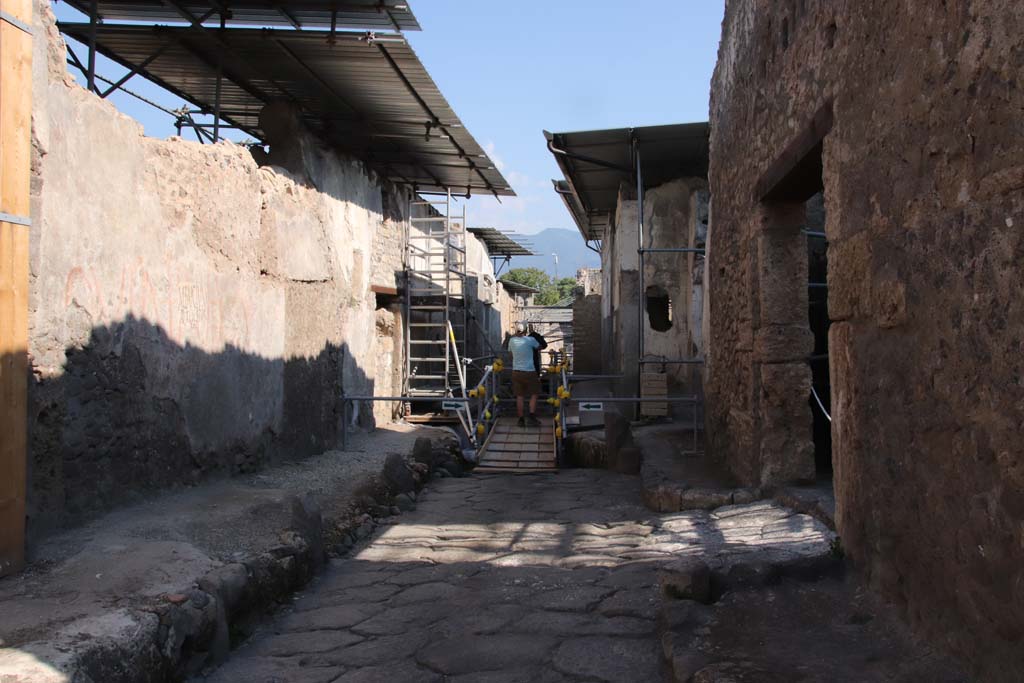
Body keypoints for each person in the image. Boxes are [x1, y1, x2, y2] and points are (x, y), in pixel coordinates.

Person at [504, 321, 547, 428]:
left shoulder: (512, 341)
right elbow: (541, 346)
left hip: (516, 372)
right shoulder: (530, 340)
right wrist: (534, 333)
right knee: (534, 393)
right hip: (529, 372)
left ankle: (521, 420)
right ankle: (531, 416)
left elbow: (510, 355)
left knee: (520, 396)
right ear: (525, 330)